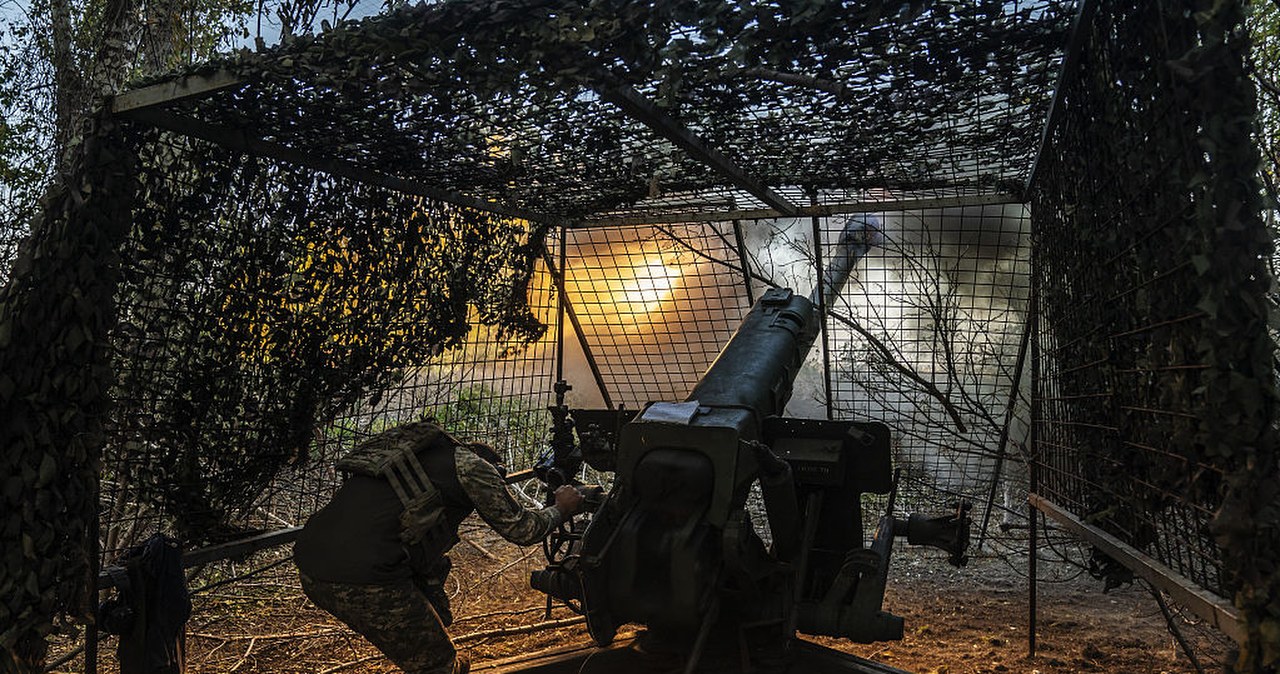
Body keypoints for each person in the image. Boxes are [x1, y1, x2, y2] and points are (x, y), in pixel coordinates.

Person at [294, 420, 583, 674]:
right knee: (438, 665)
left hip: (311, 565)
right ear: (492, 468)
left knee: (430, 640)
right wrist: (562, 508)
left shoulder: (424, 457)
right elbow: (522, 529)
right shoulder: (474, 468)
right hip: (366, 576)